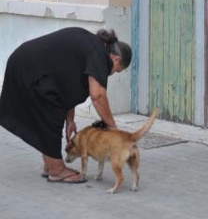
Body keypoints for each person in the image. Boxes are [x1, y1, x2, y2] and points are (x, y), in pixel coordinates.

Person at [0, 27, 132, 183]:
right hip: (30, 69)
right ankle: (56, 170)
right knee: (50, 116)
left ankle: (50, 166)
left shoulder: (92, 44)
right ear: (116, 59)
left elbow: (67, 84)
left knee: (48, 114)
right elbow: (97, 95)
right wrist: (112, 127)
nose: (112, 73)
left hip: (24, 62)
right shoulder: (100, 55)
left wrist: (70, 119)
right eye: (118, 70)